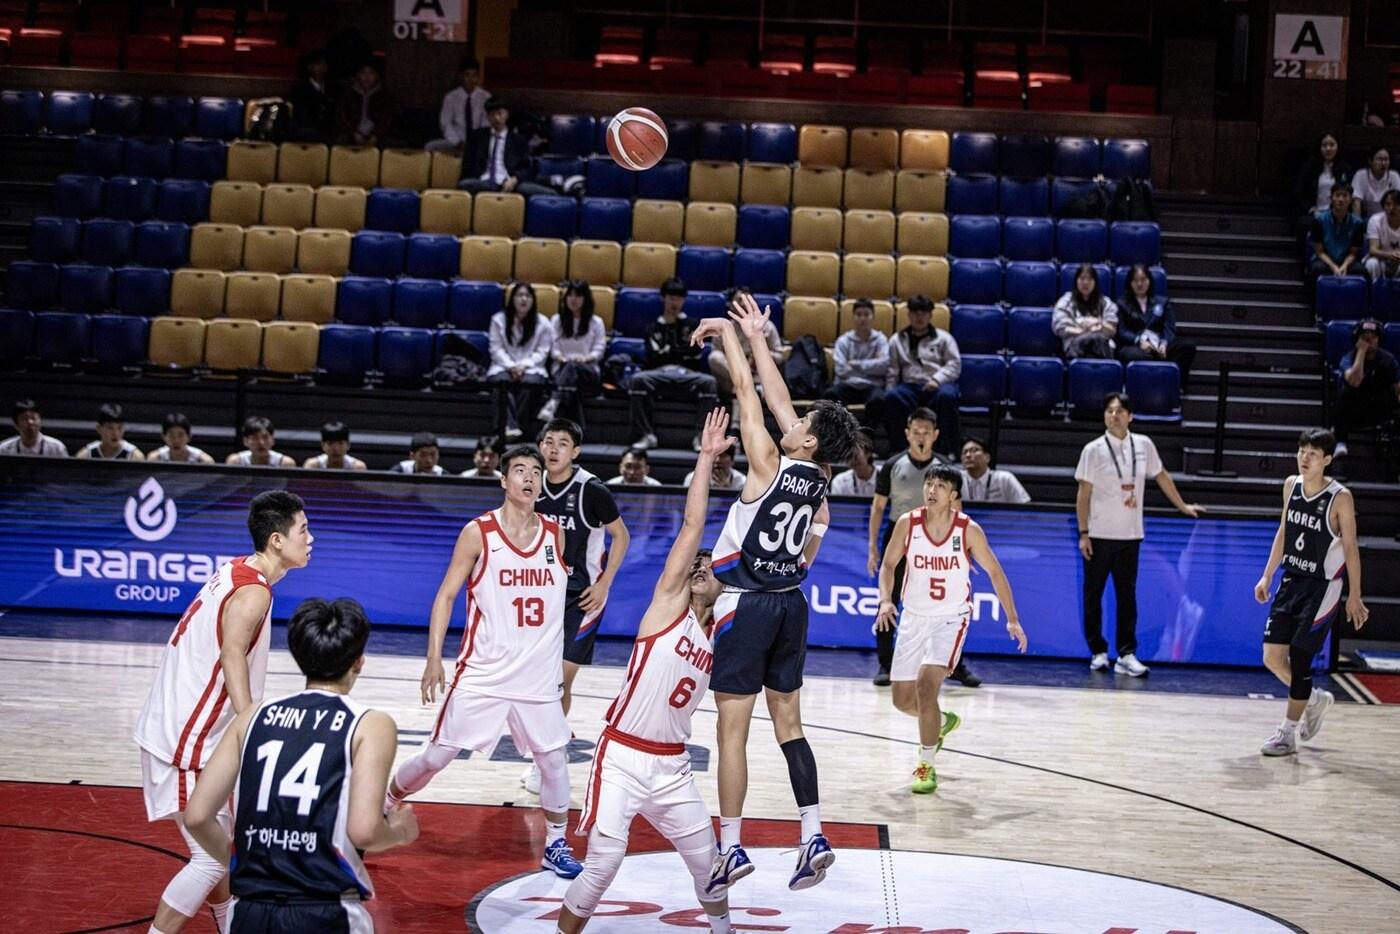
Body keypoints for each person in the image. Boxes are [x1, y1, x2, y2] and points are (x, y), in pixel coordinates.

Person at [690, 293, 860, 893]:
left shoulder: (765, 462)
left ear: (808, 441)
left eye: (806, 425)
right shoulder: (817, 482)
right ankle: (812, 831)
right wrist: (760, 336)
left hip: (746, 603)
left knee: (730, 732)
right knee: (789, 723)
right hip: (791, 604)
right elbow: (781, 401)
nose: (796, 421)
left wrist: (726, 337)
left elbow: (746, 392)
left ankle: (731, 847)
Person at [556, 410, 735, 934]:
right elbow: (693, 525)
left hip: (674, 767)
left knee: (711, 871)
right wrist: (704, 459)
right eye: (694, 566)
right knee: (603, 866)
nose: (700, 568)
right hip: (624, 756)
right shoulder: (667, 607)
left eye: (709, 567)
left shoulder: (724, 634)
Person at [387, 446, 584, 879]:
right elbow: (446, 595)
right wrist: (434, 658)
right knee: (438, 757)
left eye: (536, 471)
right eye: (520, 471)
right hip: (485, 671)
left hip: (536, 677)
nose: (530, 478)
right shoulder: (479, 532)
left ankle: (556, 844)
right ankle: (388, 799)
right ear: (503, 481)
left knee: (553, 759)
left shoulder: (555, 534)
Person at [132, 492, 313, 933]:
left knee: (218, 848)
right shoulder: (254, 593)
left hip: (184, 728)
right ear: (276, 540)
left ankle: (230, 926)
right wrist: (250, 722)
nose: (311, 539)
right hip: (186, 740)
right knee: (211, 859)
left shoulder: (238, 569)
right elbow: (232, 653)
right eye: (303, 530)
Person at [184, 598, 419, 932]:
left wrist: (239, 863)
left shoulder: (252, 715)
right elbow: (365, 830)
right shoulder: (371, 724)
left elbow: (197, 816)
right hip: (325, 910)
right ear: (359, 661)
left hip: (251, 910)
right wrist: (398, 833)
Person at [876, 466, 1028, 793]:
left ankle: (925, 764)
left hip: (950, 619)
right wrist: (886, 600)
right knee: (901, 701)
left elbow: (996, 573)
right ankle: (941, 722)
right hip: (914, 617)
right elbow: (888, 565)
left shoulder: (967, 530)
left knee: (926, 688)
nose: (931, 490)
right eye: (928, 483)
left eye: (940, 486)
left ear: (954, 495)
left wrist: (1012, 618)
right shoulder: (908, 523)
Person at [527, 418, 632, 791]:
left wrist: (605, 583)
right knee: (541, 682)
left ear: (575, 452)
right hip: (540, 592)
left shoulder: (592, 489)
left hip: (583, 596)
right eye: (548, 442)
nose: (553, 449)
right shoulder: (530, 485)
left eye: (562, 443)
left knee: (558, 682)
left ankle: (547, 762)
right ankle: (548, 748)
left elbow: (621, 537)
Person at [1252, 429, 1368, 757]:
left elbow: (1350, 547)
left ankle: (1287, 734)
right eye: (1302, 450)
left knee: (1300, 659)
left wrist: (1354, 595)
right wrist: (1267, 575)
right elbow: (1284, 531)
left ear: (1327, 460)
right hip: (1293, 581)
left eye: (1313, 453)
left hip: (1324, 587)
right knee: (1272, 657)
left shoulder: (1340, 497)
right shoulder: (1291, 485)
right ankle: (1314, 699)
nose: (1305, 457)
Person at [1075, 392, 1204, 676]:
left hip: (1131, 535)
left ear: (1130, 416)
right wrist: (1083, 532)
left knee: (1127, 596)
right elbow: (1083, 495)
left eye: (1120, 410)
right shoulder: (1093, 449)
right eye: (1109, 411)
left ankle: (1126, 654)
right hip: (1098, 534)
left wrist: (1182, 506)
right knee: (1093, 595)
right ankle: (1098, 651)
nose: (1114, 415)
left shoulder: (1143, 444)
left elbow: (1161, 475)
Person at [867, 410, 980, 687]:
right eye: (915, 431)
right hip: (901, 531)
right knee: (888, 598)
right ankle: (885, 663)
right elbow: (878, 507)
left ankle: (957, 666)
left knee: (951, 604)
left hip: (938, 537)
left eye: (926, 431)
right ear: (907, 433)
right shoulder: (892, 464)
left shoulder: (944, 467)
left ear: (935, 435)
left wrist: (965, 550)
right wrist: (872, 547)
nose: (920, 436)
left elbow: (958, 511)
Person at [861, 295, 959, 457]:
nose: (919, 317)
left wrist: (937, 379)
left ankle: (945, 450)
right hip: (910, 386)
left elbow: (954, 365)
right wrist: (888, 392)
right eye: (915, 313)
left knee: (947, 397)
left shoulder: (944, 338)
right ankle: (900, 448)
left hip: (938, 384)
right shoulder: (897, 340)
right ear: (909, 315)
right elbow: (893, 370)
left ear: (930, 315)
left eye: (924, 313)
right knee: (893, 397)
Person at [629, 277, 720, 451]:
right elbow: (652, 358)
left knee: (709, 382)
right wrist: (678, 352)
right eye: (671, 297)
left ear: (684, 300)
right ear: (663, 298)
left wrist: (670, 352)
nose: (675, 302)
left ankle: (701, 436)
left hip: (687, 374)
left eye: (678, 298)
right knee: (637, 380)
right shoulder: (652, 328)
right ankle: (646, 435)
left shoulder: (693, 325)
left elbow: (694, 353)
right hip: (659, 373)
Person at [488, 283, 554, 442]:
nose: (523, 299)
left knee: (530, 384)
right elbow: (496, 349)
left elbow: (542, 351)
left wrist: (523, 366)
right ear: (512, 299)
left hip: (532, 367)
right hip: (503, 366)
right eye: (519, 295)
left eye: (528, 296)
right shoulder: (498, 320)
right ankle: (510, 426)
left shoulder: (543, 322)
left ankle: (513, 427)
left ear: (533, 300)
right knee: (501, 382)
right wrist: (511, 366)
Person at [1115, 264, 1197, 388]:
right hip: (1136, 346)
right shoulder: (1122, 303)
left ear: (1149, 281)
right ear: (1130, 283)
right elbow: (1121, 331)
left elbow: (1169, 328)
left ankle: (1174, 386)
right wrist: (1139, 341)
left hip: (1160, 347)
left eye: (1143, 280)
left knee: (1187, 346)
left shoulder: (1162, 302)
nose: (1139, 284)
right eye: (1135, 280)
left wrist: (1163, 343)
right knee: (1132, 354)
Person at [540, 280, 607, 428]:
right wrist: (560, 357)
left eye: (578, 295)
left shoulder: (596, 322)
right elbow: (553, 348)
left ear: (585, 298)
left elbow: (599, 349)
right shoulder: (556, 320)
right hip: (561, 369)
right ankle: (578, 430)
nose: (573, 299)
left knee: (572, 368)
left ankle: (553, 402)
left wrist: (586, 358)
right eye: (570, 295)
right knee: (571, 387)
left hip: (588, 370)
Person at [456, 97, 553, 196]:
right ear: (487, 117)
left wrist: (515, 179)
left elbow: (526, 167)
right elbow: (467, 164)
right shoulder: (477, 137)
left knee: (544, 193)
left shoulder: (518, 140)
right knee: (465, 184)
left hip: (510, 181)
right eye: (492, 114)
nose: (496, 118)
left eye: (499, 113)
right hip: (484, 181)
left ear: (506, 114)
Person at [1333, 319, 1399, 457]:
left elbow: (1397, 388)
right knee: (1343, 394)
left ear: (1379, 339)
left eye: (1373, 337)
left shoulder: (1388, 360)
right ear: (1357, 340)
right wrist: (1361, 352)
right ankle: (1341, 442)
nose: (1369, 341)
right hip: (1354, 409)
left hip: (1380, 409)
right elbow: (1354, 381)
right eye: (1364, 338)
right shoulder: (1348, 358)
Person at [708, 288, 785, 400]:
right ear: (731, 305)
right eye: (739, 300)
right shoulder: (724, 328)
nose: (744, 304)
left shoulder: (767, 326)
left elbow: (780, 356)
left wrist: (762, 354)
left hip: (760, 378)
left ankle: (751, 384)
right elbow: (716, 356)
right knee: (714, 357)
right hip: (732, 378)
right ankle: (745, 380)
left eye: (747, 300)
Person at [823, 298, 890, 410]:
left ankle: (870, 428)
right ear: (853, 317)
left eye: (866, 314)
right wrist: (872, 367)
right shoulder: (843, 340)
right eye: (858, 315)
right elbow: (840, 370)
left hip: (872, 385)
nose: (862, 318)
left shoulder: (881, 340)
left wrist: (854, 364)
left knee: (879, 400)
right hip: (847, 384)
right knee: (831, 395)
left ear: (873, 317)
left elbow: (883, 366)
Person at [426, 55, 490, 152]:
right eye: (467, 75)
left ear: (478, 77)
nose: (470, 79)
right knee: (430, 146)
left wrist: (477, 142)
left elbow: (486, 124)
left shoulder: (486, 97)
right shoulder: (450, 98)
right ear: (461, 76)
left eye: (474, 75)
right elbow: (446, 123)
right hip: (455, 141)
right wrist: (458, 143)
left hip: (478, 142)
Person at [1053, 264, 1118, 359]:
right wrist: (1086, 331)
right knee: (1095, 338)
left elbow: (1112, 331)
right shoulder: (1065, 301)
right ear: (1076, 281)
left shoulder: (1106, 302)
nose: (1086, 283)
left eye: (1090, 279)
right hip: (1075, 345)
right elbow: (1060, 328)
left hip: (1101, 347)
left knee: (1100, 340)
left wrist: (1098, 322)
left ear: (1095, 282)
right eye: (1082, 279)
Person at [1308, 183, 1366, 287]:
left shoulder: (1358, 223)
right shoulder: (1319, 220)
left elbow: (1353, 253)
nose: (1341, 199)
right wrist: (1334, 267)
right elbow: (1319, 251)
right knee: (1316, 269)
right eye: (1337, 195)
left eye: (1345, 196)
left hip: (1346, 260)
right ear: (1331, 198)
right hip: (1324, 260)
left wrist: (1344, 265)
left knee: (1361, 270)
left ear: (1351, 199)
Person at [1293, 131, 1352, 231]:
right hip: (1314, 213)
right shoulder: (1308, 168)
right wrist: (1312, 210)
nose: (1328, 149)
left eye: (1332, 145)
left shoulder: (1345, 169)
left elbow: (1349, 194)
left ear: (1338, 147)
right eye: (1324, 145)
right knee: (1305, 224)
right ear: (1319, 148)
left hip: (1338, 213)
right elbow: (1298, 193)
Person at [335, 60, 396, 147]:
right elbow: (342, 117)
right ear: (358, 75)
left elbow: (386, 119)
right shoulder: (348, 93)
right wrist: (354, 133)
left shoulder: (384, 95)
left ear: (377, 76)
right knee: (341, 141)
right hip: (352, 132)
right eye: (363, 73)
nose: (367, 77)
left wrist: (376, 135)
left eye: (371, 73)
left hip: (376, 134)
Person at [959, 436, 1031, 504]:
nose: (968, 455)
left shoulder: (1005, 479)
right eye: (964, 452)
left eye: (974, 450)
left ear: (987, 457)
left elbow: (1026, 508)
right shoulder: (956, 480)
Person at [288, 49, 334, 143]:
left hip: (327, 130)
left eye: (324, 64)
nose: (322, 67)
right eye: (318, 64)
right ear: (309, 66)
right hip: (306, 130)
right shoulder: (299, 89)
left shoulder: (332, 89)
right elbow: (299, 114)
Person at [75, 402, 143, 460]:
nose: (116, 433)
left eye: (120, 428)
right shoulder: (86, 455)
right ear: (98, 428)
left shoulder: (134, 456)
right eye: (110, 428)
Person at [0, 399, 67, 457]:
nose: (30, 422)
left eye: (33, 418)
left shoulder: (57, 447)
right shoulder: (4, 449)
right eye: (24, 418)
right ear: (16, 425)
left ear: (40, 421)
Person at [226, 416, 296, 467]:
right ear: (245, 441)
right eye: (255, 438)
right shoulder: (236, 462)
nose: (261, 443)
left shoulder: (284, 463)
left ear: (272, 440)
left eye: (265, 437)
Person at [1350, 146, 1400, 218]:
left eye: (1386, 160)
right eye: (1379, 159)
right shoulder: (1361, 175)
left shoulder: (1394, 176)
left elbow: (1398, 201)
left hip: (1389, 218)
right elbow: (1356, 202)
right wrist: (1357, 224)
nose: (1383, 163)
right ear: (1370, 161)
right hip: (1367, 218)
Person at [148, 413, 214, 464]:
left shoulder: (203, 461)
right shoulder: (155, 459)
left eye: (181, 435)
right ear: (163, 436)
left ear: (189, 436)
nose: (176, 440)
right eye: (171, 435)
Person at [829, 430, 879, 498]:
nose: (852, 461)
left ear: (868, 452)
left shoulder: (889, 476)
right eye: (848, 457)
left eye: (855, 456)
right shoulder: (840, 482)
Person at [1363, 190, 1400, 280]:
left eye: (1396, 204)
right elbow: (1373, 250)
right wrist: (1390, 254)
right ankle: (1374, 292)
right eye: (1388, 204)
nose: (1391, 208)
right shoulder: (1375, 220)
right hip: (1380, 258)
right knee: (1372, 264)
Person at [303, 420, 367, 470]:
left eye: (340, 443)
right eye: (330, 443)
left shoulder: (357, 468)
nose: (336, 448)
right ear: (322, 445)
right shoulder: (313, 466)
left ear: (348, 445)